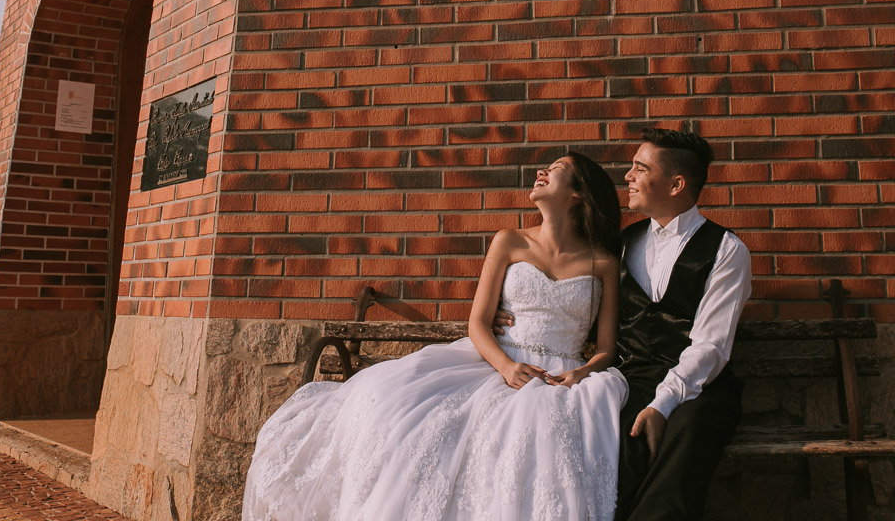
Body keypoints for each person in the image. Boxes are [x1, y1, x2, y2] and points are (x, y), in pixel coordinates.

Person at [241, 152, 629, 521]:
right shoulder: (510, 241)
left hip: (562, 376)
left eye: (555, 168)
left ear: (578, 194)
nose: (541, 172)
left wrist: (582, 373)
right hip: (500, 363)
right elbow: (477, 322)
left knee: (541, 437)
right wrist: (507, 367)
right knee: (406, 416)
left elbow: (607, 347)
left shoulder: (604, 263)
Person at [498, 127, 751, 521]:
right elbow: (581, 301)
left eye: (640, 168)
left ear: (676, 184)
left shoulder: (726, 250)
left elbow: (710, 347)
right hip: (628, 378)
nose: (628, 176)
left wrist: (662, 405)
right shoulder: (623, 243)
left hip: (700, 386)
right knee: (605, 452)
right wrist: (516, 313)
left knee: (688, 432)